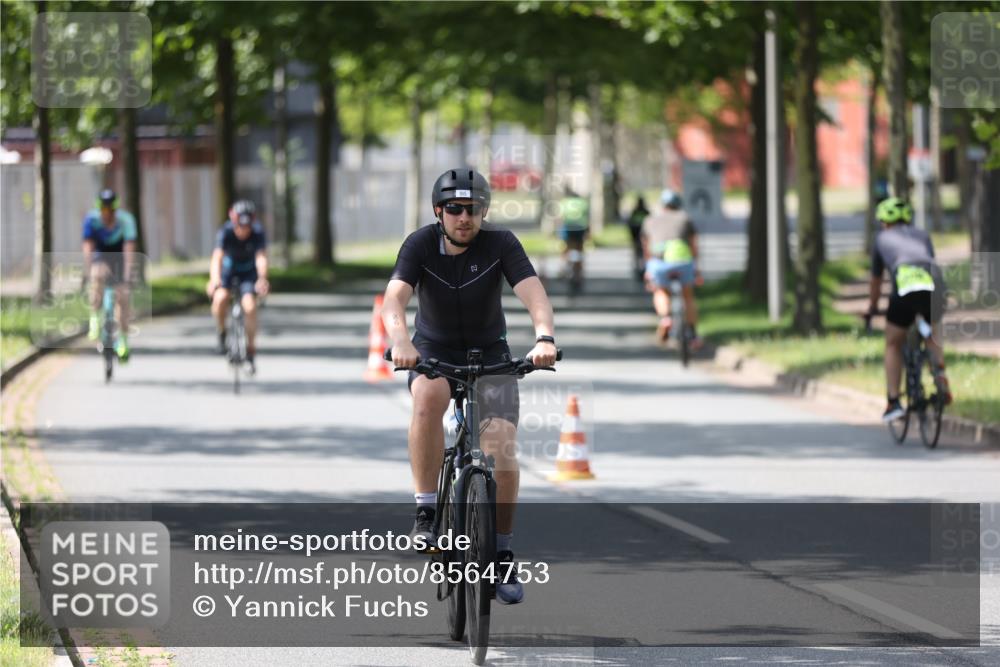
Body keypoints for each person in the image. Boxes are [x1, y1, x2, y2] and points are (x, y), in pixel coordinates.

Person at [382, 168, 557, 605]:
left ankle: (501, 552)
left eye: (474, 208)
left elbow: (533, 292)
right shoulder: (420, 244)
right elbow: (395, 297)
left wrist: (544, 337)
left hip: (491, 354)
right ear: (439, 211)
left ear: (485, 211)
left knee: (502, 442)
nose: (465, 217)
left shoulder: (501, 244)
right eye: (455, 209)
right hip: (433, 351)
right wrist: (400, 340)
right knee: (427, 397)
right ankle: (425, 511)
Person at [866, 196, 951, 422]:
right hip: (934, 284)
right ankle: (940, 373)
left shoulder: (881, 238)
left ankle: (893, 402)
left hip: (906, 287)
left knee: (893, 343)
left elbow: (876, 281)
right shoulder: (922, 235)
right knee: (932, 331)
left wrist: (872, 308)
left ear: (884, 222)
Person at [205, 200, 269, 374]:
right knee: (220, 299)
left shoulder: (258, 232)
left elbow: (261, 258)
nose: (244, 230)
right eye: (240, 226)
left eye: (247, 226)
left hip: (248, 274)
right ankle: (221, 332)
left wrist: (262, 279)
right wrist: (214, 280)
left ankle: (251, 351)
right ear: (234, 221)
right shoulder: (225, 232)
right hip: (228, 272)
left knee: (250, 306)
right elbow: (217, 257)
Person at [641, 189, 703, 348]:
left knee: (661, 291)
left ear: (662, 205)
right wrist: (696, 267)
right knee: (688, 296)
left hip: (660, 262)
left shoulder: (650, 220)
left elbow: (646, 247)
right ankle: (693, 333)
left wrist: (648, 268)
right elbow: (694, 245)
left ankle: (665, 318)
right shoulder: (685, 218)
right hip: (683, 261)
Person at [82, 189, 137, 361]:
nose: (106, 214)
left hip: (119, 258)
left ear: (115, 209)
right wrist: (87, 272)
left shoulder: (126, 221)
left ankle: (124, 340)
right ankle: (94, 319)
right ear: (99, 209)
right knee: (97, 275)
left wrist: (128, 276)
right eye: (103, 210)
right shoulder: (91, 220)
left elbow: (129, 250)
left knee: (123, 297)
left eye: (110, 211)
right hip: (100, 256)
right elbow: (88, 248)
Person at [557, 189, 590, 285]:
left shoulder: (565, 202)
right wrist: (588, 232)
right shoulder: (583, 203)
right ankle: (578, 274)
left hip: (568, 228)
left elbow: (560, 218)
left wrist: (558, 232)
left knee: (566, 249)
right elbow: (587, 218)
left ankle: (562, 270)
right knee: (579, 250)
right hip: (580, 228)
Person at [626, 196, 650, 282]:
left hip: (637, 236)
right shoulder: (646, 212)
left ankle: (639, 268)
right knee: (645, 253)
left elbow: (630, 224)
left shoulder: (635, 212)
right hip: (644, 237)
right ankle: (644, 269)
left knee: (638, 254)